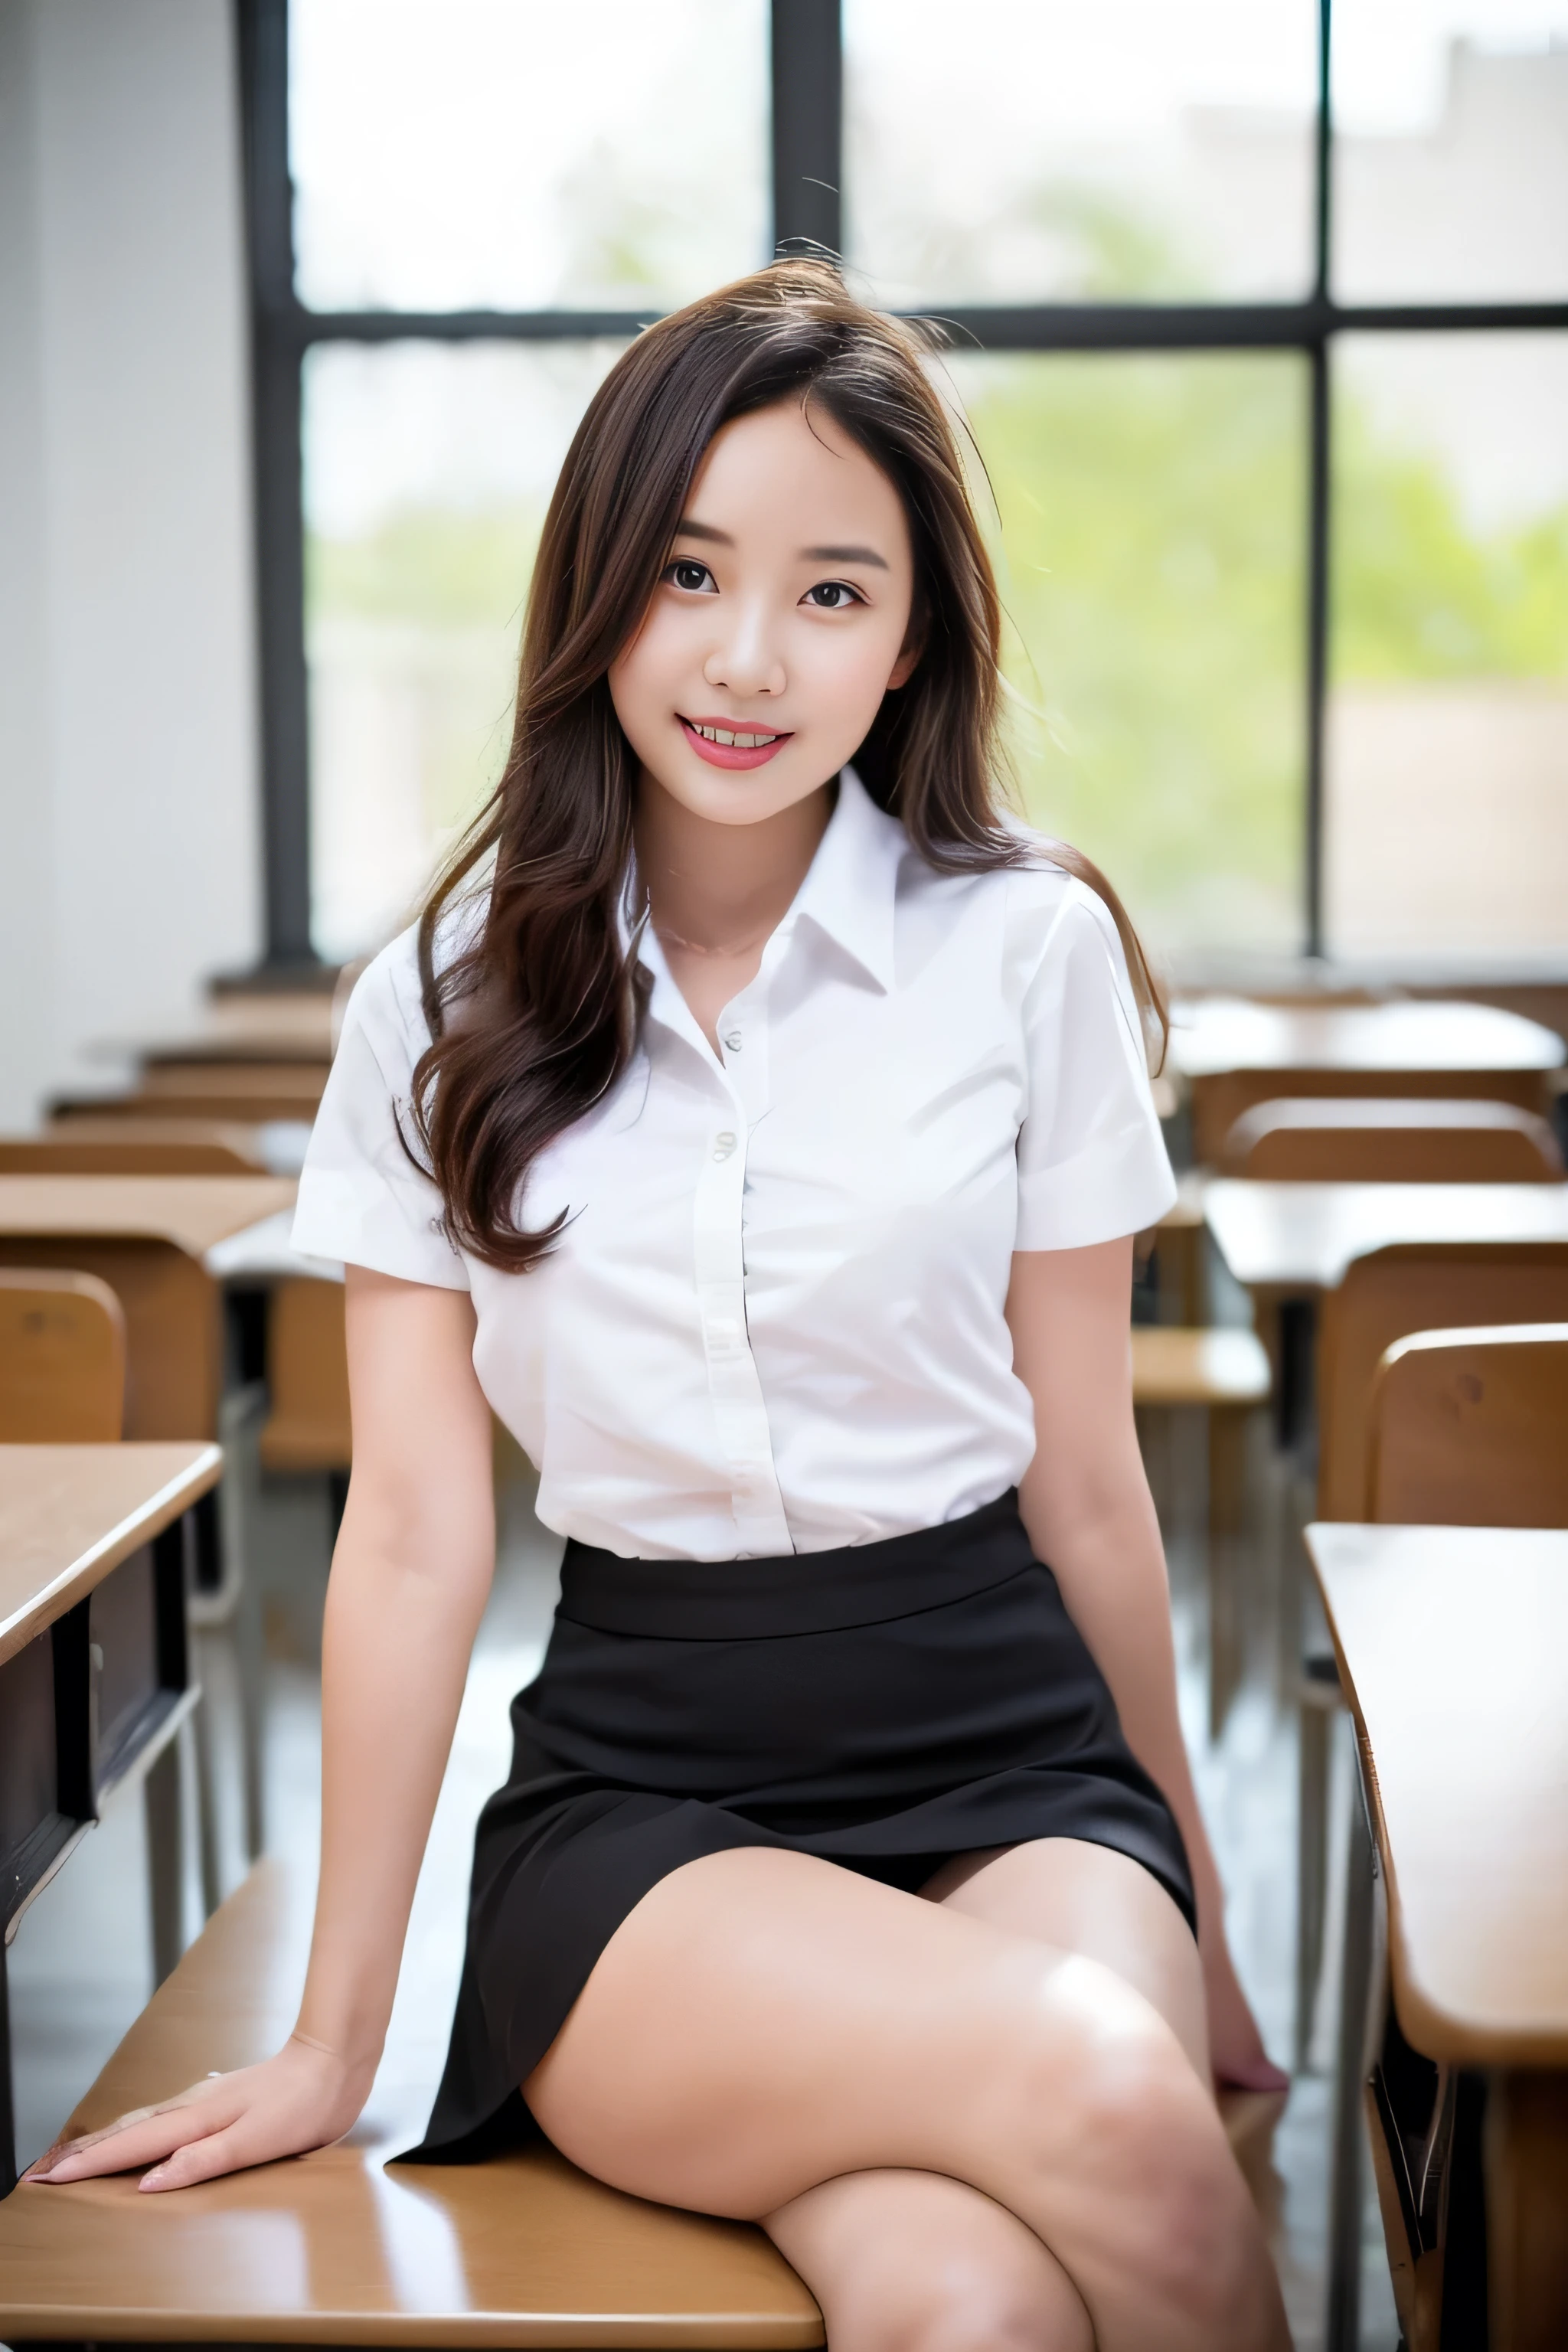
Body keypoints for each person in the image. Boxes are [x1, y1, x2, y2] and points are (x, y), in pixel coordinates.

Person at [28, 261, 1289, 2350]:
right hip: (650, 1809)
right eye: (689, 568)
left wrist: (1204, 1909)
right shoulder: (432, 1012)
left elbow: (1089, 1482)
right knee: (1099, 2099)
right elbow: (421, 1536)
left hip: (1017, 1757)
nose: (743, 653)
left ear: (913, 642)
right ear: (598, 590)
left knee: (966, 2310)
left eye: (829, 590)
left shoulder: (1031, 953)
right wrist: (340, 2039)